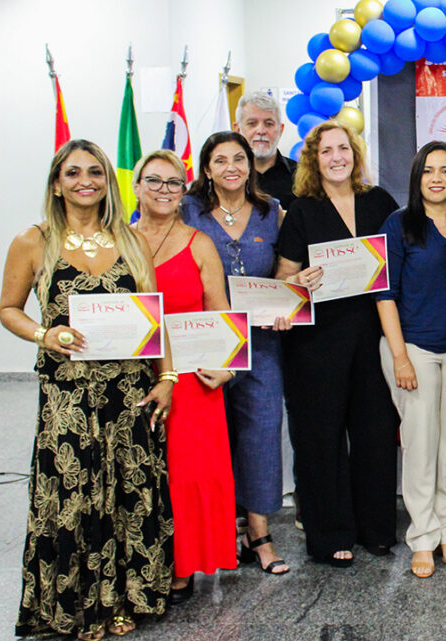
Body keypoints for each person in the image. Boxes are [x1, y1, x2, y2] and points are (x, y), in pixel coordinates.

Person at [0, 140, 174, 640]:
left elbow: (153, 315)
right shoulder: (33, 240)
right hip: (68, 395)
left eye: (95, 172)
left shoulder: (132, 239)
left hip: (129, 391)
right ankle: (74, 608)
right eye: (73, 172)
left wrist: (166, 377)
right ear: (57, 183)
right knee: (71, 497)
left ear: (107, 182)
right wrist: (43, 334)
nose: (85, 180)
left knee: (129, 494)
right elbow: (8, 308)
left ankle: (125, 599)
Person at [275, 121, 400, 566]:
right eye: (326, 151)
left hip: (373, 335)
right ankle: (330, 534)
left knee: (375, 433)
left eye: (343, 148)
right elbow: (282, 279)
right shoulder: (301, 209)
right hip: (316, 342)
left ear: (355, 153)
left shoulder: (379, 202)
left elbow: (397, 262)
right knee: (320, 439)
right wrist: (297, 281)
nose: (336, 157)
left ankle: (377, 528)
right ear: (314, 159)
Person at [132, 149, 239, 602]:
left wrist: (227, 368)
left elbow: (221, 313)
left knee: (187, 474)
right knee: (135, 472)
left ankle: (181, 565)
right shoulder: (117, 241)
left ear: (184, 192)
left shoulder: (199, 243)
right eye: (154, 181)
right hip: (131, 374)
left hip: (193, 379)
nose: (163, 190)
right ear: (135, 186)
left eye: (173, 183)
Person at [182, 131, 290, 576]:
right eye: (220, 159)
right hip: (205, 346)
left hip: (261, 345)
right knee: (213, 440)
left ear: (250, 165)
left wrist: (291, 303)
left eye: (239, 159)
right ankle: (220, 528)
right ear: (206, 168)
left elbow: (288, 272)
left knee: (262, 434)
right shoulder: (187, 210)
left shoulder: (271, 212)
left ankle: (259, 533)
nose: (231, 167)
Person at [377, 141, 446, 578]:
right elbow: (385, 295)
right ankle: (422, 538)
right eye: (428, 171)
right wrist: (400, 356)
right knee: (420, 448)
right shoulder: (399, 224)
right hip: (412, 349)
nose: (437, 178)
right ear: (417, 177)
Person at [234, 91, 298, 210]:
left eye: (269, 124)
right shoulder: (226, 177)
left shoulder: (301, 176)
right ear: (237, 129)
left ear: (281, 129)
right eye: (252, 123)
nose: (261, 131)